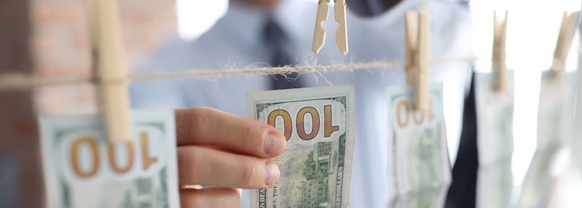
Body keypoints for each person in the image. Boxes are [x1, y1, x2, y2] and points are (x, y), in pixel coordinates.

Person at [131, 0, 475, 207]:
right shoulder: (166, 69)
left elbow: (445, 42)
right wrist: (146, 183)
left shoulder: (371, 25)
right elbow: (144, 156)